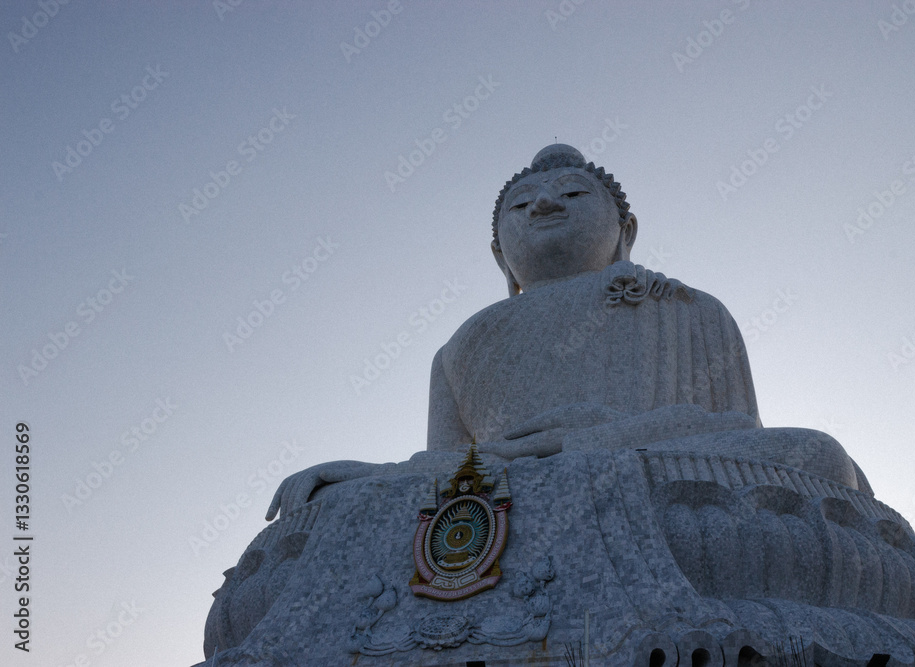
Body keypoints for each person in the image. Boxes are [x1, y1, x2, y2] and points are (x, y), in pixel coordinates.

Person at [267, 145, 861, 521]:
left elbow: (732, 431)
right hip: (501, 491)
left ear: (624, 229)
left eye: (573, 194)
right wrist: (382, 474)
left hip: (651, 474)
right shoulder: (461, 344)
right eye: (520, 205)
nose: (545, 203)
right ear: (500, 253)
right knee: (326, 507)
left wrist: (585, 439)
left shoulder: (686, 306)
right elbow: (450, 475)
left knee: (815, 455)